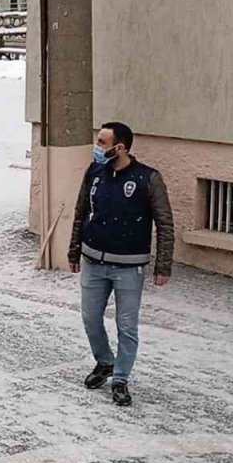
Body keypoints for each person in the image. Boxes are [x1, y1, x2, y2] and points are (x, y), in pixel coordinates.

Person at [68, 122, 174, 407]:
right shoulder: (95, 172)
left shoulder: (147, 179)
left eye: (102, 143)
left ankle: (120, 379)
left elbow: (164, 223)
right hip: (93, 261)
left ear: (121, 147)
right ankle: (104, 362)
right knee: (90, 319)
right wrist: (74, 250)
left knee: (126, 326)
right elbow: (81, 211)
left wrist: (163, 265)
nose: (97, 147)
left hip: (129, 267)